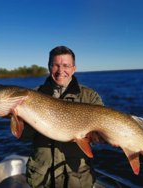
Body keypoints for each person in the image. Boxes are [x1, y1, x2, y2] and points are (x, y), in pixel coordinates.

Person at [25, 46, 104, 188]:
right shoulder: (33, 95)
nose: (61, 71)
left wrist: (102, 137)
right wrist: (17, 117)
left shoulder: (90, 96)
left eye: (66, 65)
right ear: (49, 67)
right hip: (44, 178)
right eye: (55, 65)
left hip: (77, 178)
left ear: (74, 68)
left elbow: (99, 135)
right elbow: (23, 136)